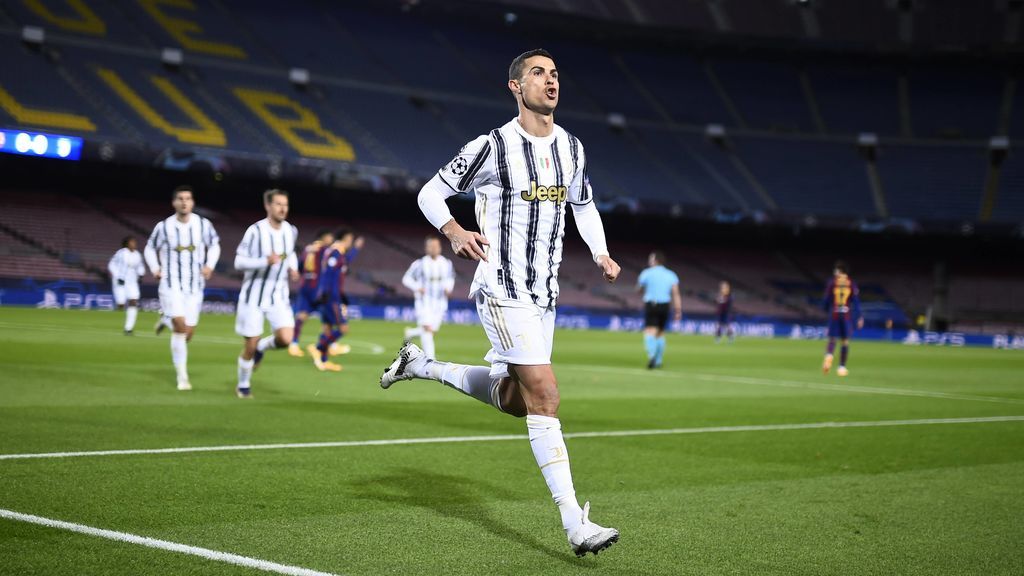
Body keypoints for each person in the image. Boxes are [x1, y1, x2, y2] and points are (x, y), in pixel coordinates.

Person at [379, 48, 621, 557]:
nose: (550, 81)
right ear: (516, 86)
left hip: (543, 293)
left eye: (555, 73)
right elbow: (430, 193)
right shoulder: (491, 147)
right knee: (547, 396)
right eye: (539, 73)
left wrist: (601, 253)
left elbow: (584, 203)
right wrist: (452, 228)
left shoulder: (573, 149)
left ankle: (420, 365)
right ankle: (576, 522)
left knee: (517, 401)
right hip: (501, 286)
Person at [144, 185, 220, 391]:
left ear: (192, 202)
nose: (184, 202)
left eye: (188, 198)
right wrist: (155, 267)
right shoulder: (164, 227)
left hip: (195, 285)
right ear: (174, 202)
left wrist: (209, 265)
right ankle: (182, 377)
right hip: (171, 283)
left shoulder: (203, 225)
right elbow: (150, 248)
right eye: (180, 198)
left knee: (187, 333)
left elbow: (214, 245)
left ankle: (165, 319)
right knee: (180, 326)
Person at [234, 189, 300, 398]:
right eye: (278, 204)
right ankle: (243, 385)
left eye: (285, 204)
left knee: (286, 339)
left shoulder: (290, 230)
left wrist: (293, 267)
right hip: (253, 295)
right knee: (249, 345)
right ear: (268, 206)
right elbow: (239, 262)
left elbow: (290, 253)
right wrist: (264, 261)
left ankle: (262, 347)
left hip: (278, 294)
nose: (283, 208)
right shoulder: (255, 231)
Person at [308, 228, 362, 372]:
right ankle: (318, 348)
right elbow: (329, 274)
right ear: (345, 239)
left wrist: (356, 249)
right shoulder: (335, 252)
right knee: (343, 328)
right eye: (350, 240)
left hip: (330, 295)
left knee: (327, 328)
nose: (351, 242)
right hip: (331, 297)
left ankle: (324, 361)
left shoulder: (337, 253)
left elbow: (344, 263)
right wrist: (326, 292)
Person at [402, 235, 456, 359]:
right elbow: (406, 279)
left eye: (436, 246)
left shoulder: (446, 263)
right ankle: (430, 360)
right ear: (426, 248)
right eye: (431, 246)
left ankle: (410, 333)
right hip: (424, 302)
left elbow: (450, 278)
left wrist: (449, 288)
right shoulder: (420, 264)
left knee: (432, 331)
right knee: (427, 330)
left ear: (440, 247)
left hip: (440, 303)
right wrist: (417, 287)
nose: (434, 248)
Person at [290, 228, 334, 357]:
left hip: (305, 285)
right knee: (329, 316)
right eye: (330, 237)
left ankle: (294, 344)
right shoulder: (324, 250)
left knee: (301, 315)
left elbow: (300, 266)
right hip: (318, 287)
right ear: (324, 237)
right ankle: (326, 345)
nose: (331, 240)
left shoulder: (307, 248)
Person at [637, 251, 682, 369]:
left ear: (655, 261)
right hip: (665, 305)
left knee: (649, 331)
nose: (649, 261)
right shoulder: (671, 274)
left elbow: (639, 289)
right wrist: (678, 310)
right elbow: (676, 294)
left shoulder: (646, 273)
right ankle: (658, 360)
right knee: (660, 333)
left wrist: (643, 289)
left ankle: (652, 356)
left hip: (651, 304)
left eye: (650, 259)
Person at [822, 260, 863, 377]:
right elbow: (856, 302)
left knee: (832, 339)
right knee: (845, 341)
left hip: (834, 314)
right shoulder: (851, 283)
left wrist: (825, 309)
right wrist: (859, 316)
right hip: (846, 315)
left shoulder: (832, 283)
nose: (834, 272)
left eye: (836, 270)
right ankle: (841, 367)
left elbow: (826, 299)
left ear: (840, 271)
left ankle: (829, 355)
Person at [108, 236, 145, 335]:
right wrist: (117, 276)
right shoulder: (121, 253)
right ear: (127, 243)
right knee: (121, 303)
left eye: (135, 242)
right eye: (132, 242)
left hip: (132, 281)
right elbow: (111, 264)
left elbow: (140, 266)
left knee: (133, 301)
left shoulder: (137, 254)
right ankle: (116, 310)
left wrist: (141, 275)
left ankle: (128, 328)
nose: (134, 244)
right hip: (120, 281)